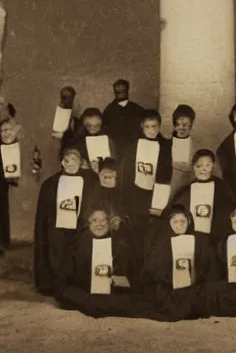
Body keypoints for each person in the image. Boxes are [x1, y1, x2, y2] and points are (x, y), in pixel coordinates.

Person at [54, 204, 145, 318]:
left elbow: (132, 277)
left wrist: (120, 280)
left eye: (103, 220)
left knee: (133, 300)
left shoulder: (120, 246)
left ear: (109, 223)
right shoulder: (77, 246)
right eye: (94, 220)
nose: (99, 224)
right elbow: (64, 280)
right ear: (88, 224)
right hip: (85, 292)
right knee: (67, 294)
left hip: (110, 294)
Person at [33, 147, 97, 296]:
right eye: (67, 160)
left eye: (75, 160)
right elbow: (45, 213)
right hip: (58, 229)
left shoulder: (89, 181)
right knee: (58, 254)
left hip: (80, 228)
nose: (70, 164)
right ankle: (57, 284)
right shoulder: (50, 183)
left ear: (81, 163)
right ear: (62, 162)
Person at [141, 205, 214, 320]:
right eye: (175, 222)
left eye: (183, 221)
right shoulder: (161, 245)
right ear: (169, 223)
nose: (179, 224)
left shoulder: (199, 242)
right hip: (170, 287)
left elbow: (206, 268)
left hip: (192, 286)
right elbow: (153, 272)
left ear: (189, 222)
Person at [120, 109, 173, 265]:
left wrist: (158, 202)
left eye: (155, 126)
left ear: (159, 126)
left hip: (154, 195)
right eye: (148, 127)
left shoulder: (164, 146)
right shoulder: (133, 146)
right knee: (134, 232)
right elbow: (127, 174)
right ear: (142, 127)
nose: (151, 130)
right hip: (136, 195)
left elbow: (165, 176)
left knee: (151, 233)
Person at [172, 149, 233, 246]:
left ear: (212, 166)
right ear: (193, 167)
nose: (203, 169)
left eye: (207, 165)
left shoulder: (222, 188)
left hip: (214, 241)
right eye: (199, 166)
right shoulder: (185, 191)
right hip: (192, 240)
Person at [102, 79, 145, 158]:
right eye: (118, 91)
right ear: (114, 92)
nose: (120, 94)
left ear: (127, 90)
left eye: (123, 90)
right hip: (116, 149)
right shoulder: (108, 111)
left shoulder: (137, 109)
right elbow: (105, 132)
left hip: (135, 148)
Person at [0, 118, 22, 254]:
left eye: (9, 130)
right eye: (2, 131)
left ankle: (2, 242)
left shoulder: (18, 146)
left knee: (2, 209)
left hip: (3, 185)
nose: (5, 133)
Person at [72, 108, 117, 173]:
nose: (92, 128)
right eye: (89, 125)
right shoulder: (79, 138)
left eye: (96, 126)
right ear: (84, 125)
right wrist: (81, 162)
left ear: (100, 124)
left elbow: (114, 161)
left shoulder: (107, 139)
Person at [169, 104, 197, 202]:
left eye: (185, 125)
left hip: (187, 186)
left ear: (191, 125)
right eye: (178, 125)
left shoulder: (195, 145)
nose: (181, 128)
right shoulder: (167, 144)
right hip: (170, 187)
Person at [52, 86, 80, 155]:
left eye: (71, 97)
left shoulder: (76, 118)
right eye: (64, 97)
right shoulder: (56, 113)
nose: (69, 100)